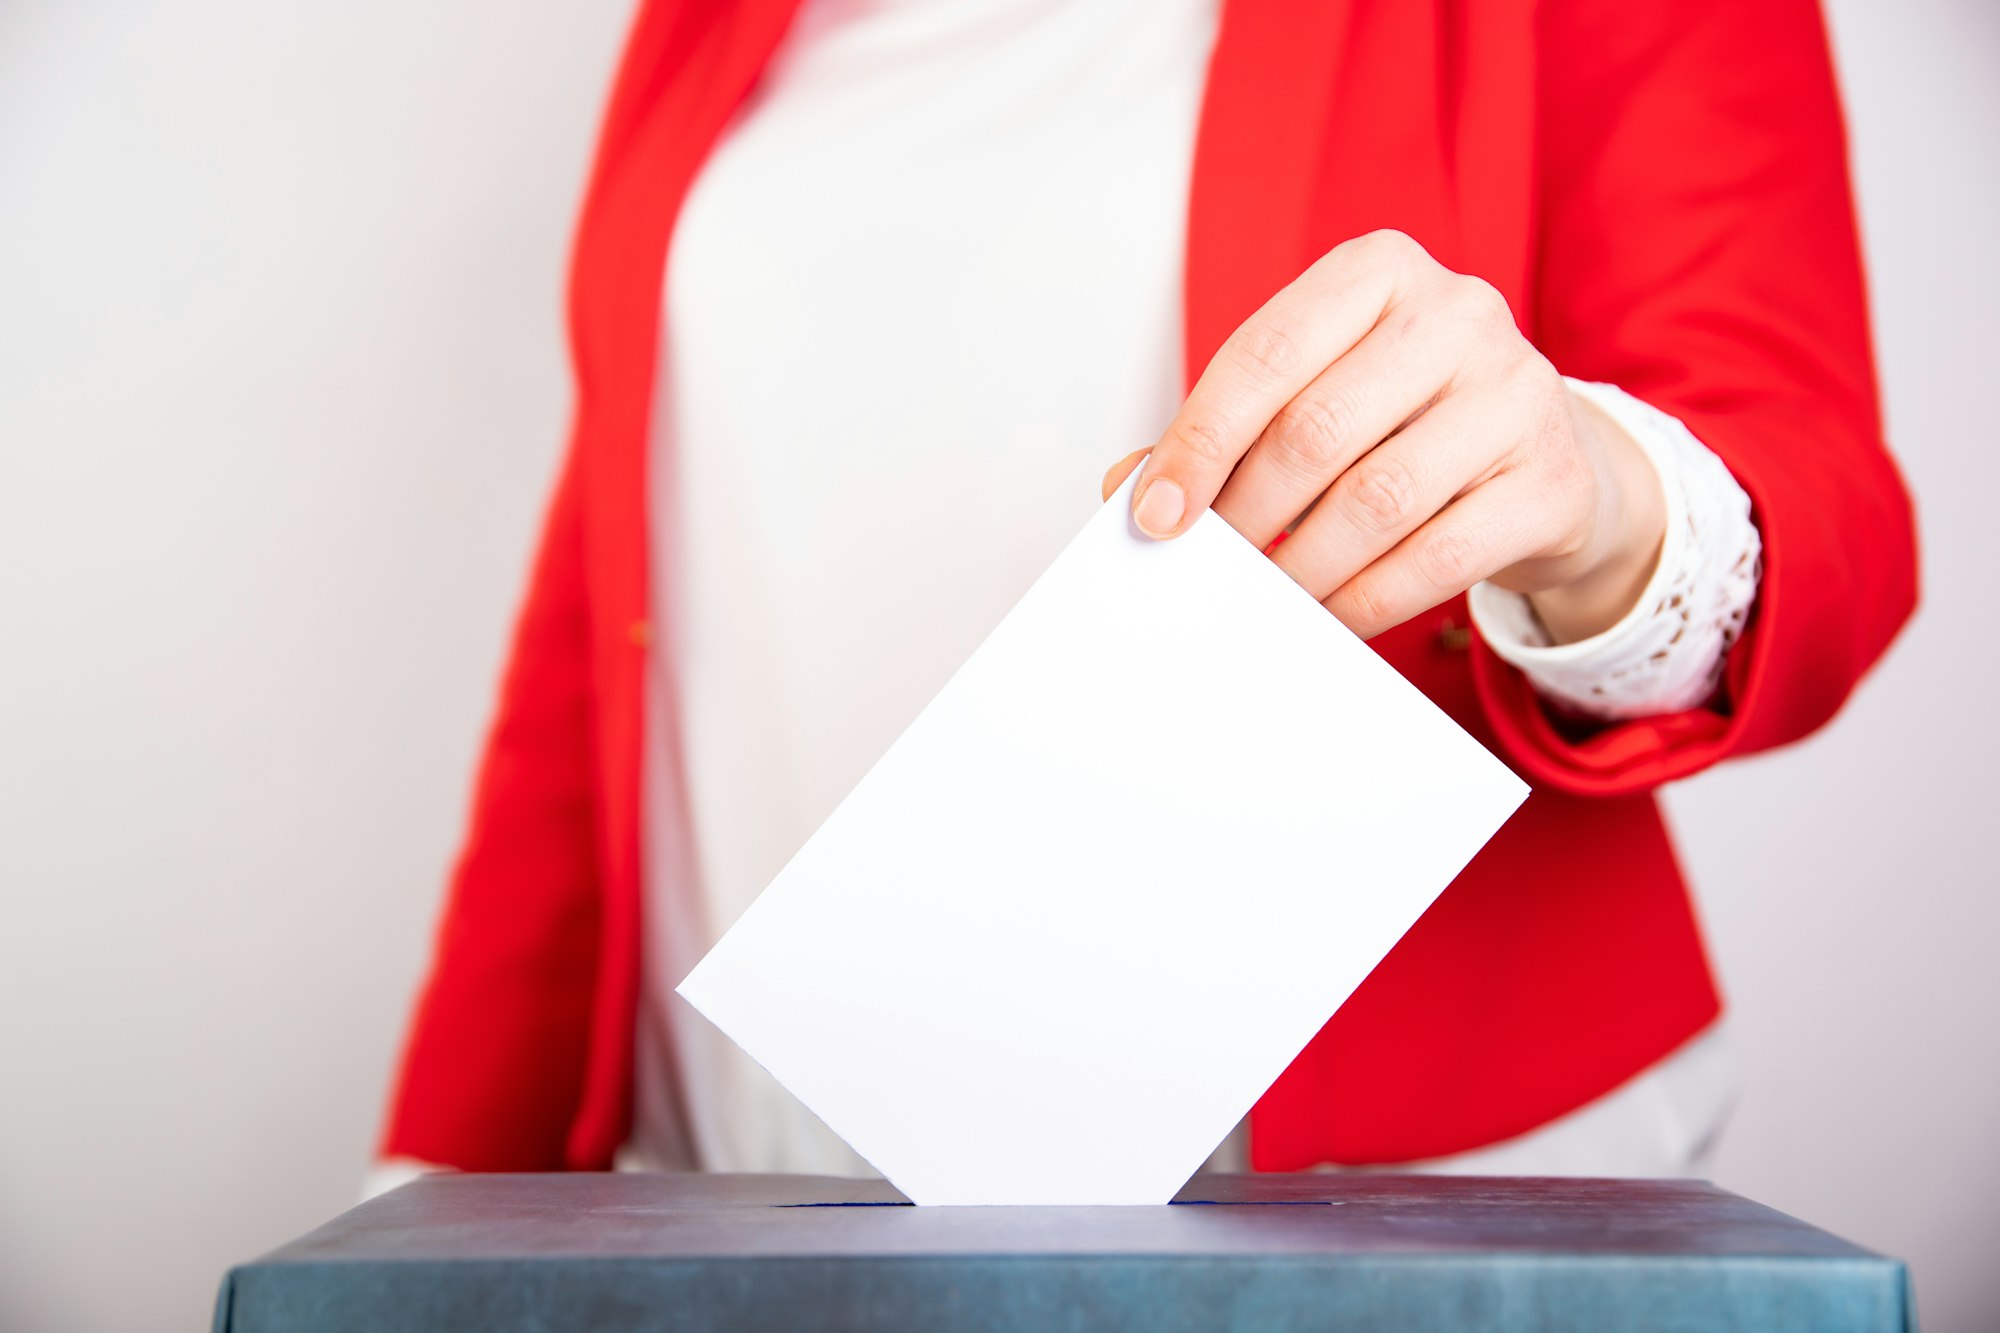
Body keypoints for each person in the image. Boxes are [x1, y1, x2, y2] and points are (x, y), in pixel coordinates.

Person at [372, 0, 1916, 1190]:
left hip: (1382, 1207)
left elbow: (1822, 494)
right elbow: (622, 603)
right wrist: (430, 1185)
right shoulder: (705, 25)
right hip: (752, 1183)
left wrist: (1595, 498)